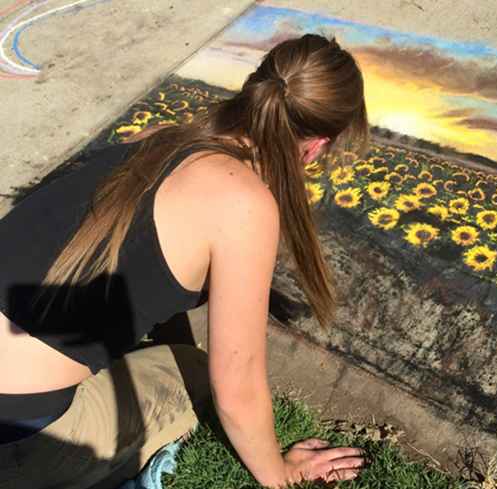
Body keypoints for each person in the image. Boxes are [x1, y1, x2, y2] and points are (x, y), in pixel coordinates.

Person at [0, 33, 369, 488]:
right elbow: (237, 390)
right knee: (191, 372)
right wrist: (281, 474)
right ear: (314, 148)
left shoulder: (157, 138)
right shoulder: (243, 204)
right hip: (17, 439)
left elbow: (146, 270)